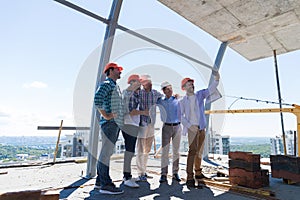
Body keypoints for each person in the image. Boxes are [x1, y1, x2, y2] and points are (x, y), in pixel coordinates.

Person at [179, 72, 220, 188]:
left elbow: (210, 89)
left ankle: (198, 172)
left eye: (192, 84)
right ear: (184, 88)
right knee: (192, 152)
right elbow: (180, 116)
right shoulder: (182, 102)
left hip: (201, 128)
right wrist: (189, 125)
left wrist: (216, 80)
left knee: (199, 152)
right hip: (192, 129)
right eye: (188, 84)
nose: (191, 85)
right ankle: (189, 177)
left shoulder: (200, 95)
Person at [94, 62, 124, 195]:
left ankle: (100, 181)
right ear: (110, 70)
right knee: (106, 153)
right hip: (110, 123)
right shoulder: (107, 84)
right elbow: (97, 99)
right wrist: (106, 115)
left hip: (114, 123)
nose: (120, 72)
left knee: (106, 153)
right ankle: (106, 185)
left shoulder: (114, 85)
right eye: (118, 70)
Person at [121, 74, 149, 188]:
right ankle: (127, 177)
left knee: (130, 151)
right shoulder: (131, 94)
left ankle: (127, 176)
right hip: (130, 125)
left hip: (132, 124)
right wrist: (144, 113)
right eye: (138, 82)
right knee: (129, 151)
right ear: (132, 82)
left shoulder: (133, 93)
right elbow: (131, 111)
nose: (140, 84)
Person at [136, 74, 163, 181]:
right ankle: (140, 173)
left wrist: (174, 96)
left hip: (151, 124)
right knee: (140, 149)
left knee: (147, 149)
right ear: (143, 84)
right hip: (142, 124)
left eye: (150, 82)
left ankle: (144, 171)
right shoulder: (139, 94)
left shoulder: (155, 94)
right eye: (147, 83)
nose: (150, 84)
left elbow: (164, 98)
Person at [157, 81, 182, 183]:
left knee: (176, 151)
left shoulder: (177, 99)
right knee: (165, 152)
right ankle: (164, 174)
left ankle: (175, 173)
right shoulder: (160, 101)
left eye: (171, 88)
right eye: (167, 89)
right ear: (163, 91)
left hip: (177, 127)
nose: (170, 90)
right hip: (166, 127)